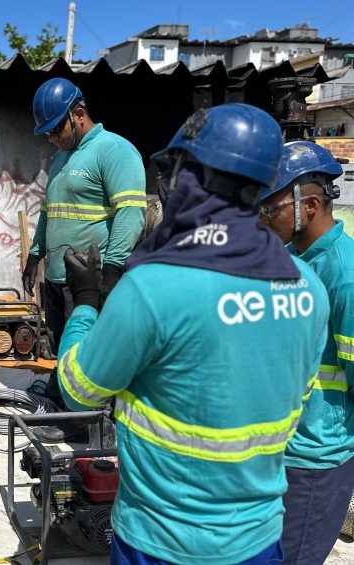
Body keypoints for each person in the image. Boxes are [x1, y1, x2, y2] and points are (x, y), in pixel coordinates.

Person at [54, 104, 330, 564]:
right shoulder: (307, 286)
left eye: (175, 171)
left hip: (158, 540)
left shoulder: (154, 287)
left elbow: (77, 391)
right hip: (256, 541)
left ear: (191, 179)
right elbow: (293, 400)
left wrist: (85, 305)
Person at [258, 141, 354, 565]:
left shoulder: (344, 274)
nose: (262, 219)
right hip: (281, 449)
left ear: (310, 204)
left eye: (270, 208)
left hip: (317, 460)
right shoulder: (292, 259)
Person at [22, 77, 147, 353]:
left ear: (78, 115)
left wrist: (111, 269)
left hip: (87, 283)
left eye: (55, 130)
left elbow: (130, 212)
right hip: (55, 279)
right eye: (47, 134)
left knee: (83, 353)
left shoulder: (114, 151)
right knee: (59, 348)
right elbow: (49, 211)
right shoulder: (60, 158)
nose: (52, 139)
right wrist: (35, 255)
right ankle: (57, 391)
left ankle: (71, 395)